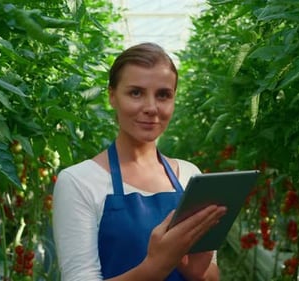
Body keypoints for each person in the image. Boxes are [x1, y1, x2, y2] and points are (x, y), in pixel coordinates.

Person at [52, 42, 227, 281]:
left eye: (163, 95)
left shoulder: (190, 175)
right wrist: (155, 267)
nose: (151, 108)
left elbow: (212, 273)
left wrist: (198, 274)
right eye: (136, 93)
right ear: (112, 96)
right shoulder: (78, 182)